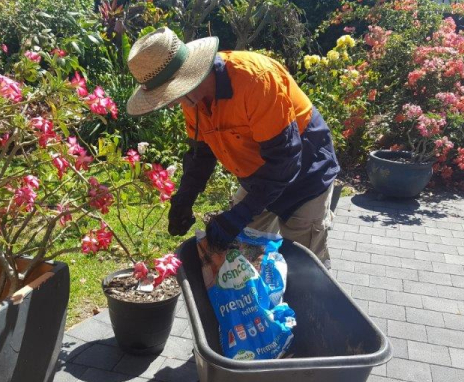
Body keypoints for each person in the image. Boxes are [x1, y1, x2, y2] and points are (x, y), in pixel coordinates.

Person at [126, 27, 340, 265]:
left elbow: (284, 161)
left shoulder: (255, 81)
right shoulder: (191, 99)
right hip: (259, 175)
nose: (167, 105)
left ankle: (306, 300)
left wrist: (239, 214)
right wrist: (184, 198)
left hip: (304, 172)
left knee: (303, 262)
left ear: (187, 78)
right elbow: (202, 154)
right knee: (241, 252)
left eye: (167, 96)